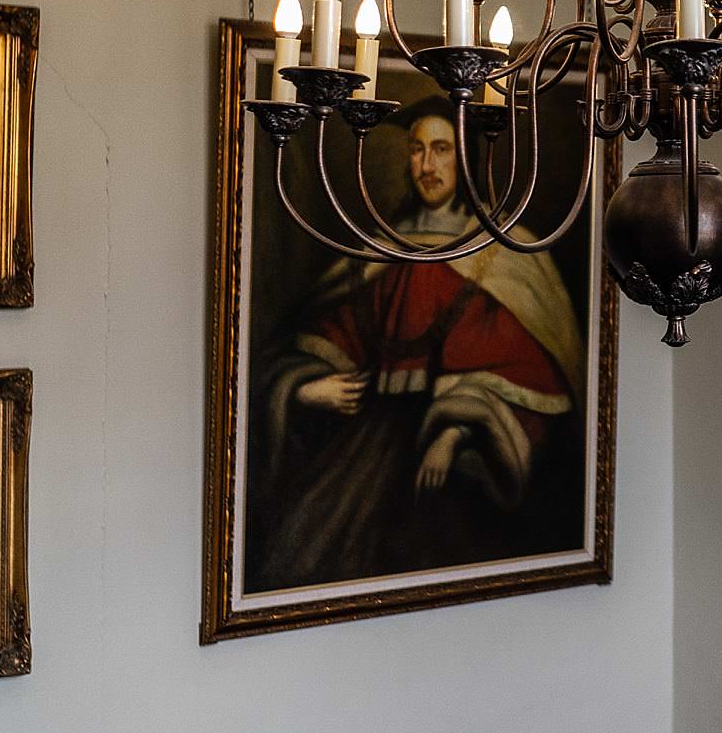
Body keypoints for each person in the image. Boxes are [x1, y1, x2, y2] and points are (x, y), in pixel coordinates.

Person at [248, 97, 586, 592]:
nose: (427, 165)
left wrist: (454, 432)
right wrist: (305, 388)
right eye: (417, 150)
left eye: (442, 149)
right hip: (367, 448)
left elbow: (532, 375)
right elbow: (330, 334)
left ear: (466, 158)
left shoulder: (506, 256)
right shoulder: (382, 250)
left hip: (456, 465)